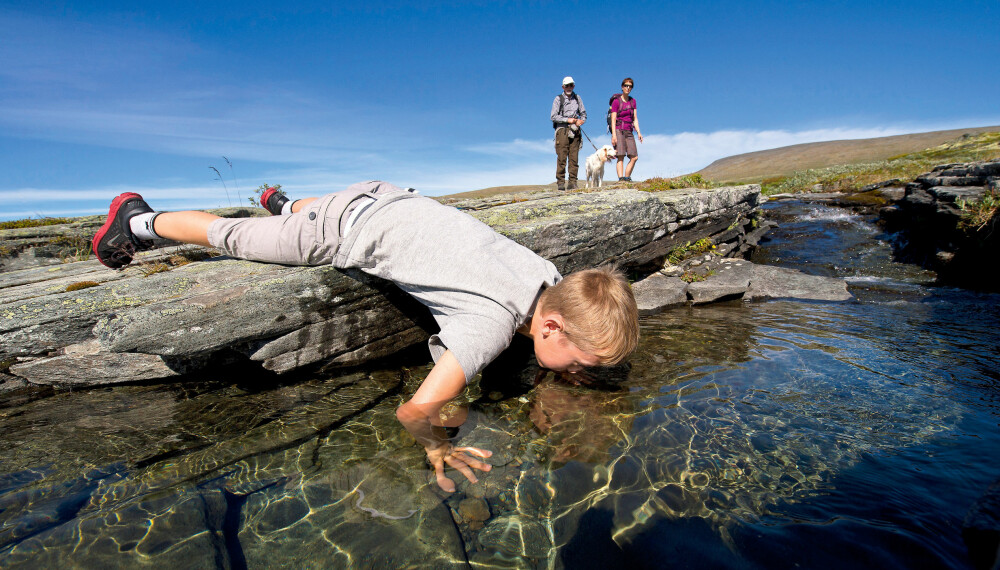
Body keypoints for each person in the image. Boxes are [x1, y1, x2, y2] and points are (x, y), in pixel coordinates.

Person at [91, 182, 640, 492]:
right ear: (550, 327)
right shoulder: (489, 328)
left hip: (390, 197)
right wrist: (437, 447)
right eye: (578, 362)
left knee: (304, 214)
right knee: (234, 236)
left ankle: (284, 201)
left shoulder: (549, 276)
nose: (577, 372)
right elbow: (412, 412)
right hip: (345, 230)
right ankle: (140, 221)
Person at [550, 76, 587, 190]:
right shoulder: (558, 99)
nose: (569, 87)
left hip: (575, 131)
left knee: (574, 158)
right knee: (562, 157)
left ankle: (573, 183)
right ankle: (560, 183)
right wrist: (567, 120)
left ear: (573, 86)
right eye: (567, 85)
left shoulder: (578, 98)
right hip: (562, 131)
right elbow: (553, 116)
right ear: (563, 87)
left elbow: (584, 114)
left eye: (571, 85)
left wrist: (581, 120)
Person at [611, 77, 643, 182]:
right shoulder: (616, 102)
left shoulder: (633, 101)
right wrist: (614, 135)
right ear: (622, 87)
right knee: (620, 155)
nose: (628, 88)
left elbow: (635, 118)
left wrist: (639, 132)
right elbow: (613, 119)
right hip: (619, 130)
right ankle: (621, 179)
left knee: (634, 157)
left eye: (630, 86)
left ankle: (627, 177)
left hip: (629, 130)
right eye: (626, 86)